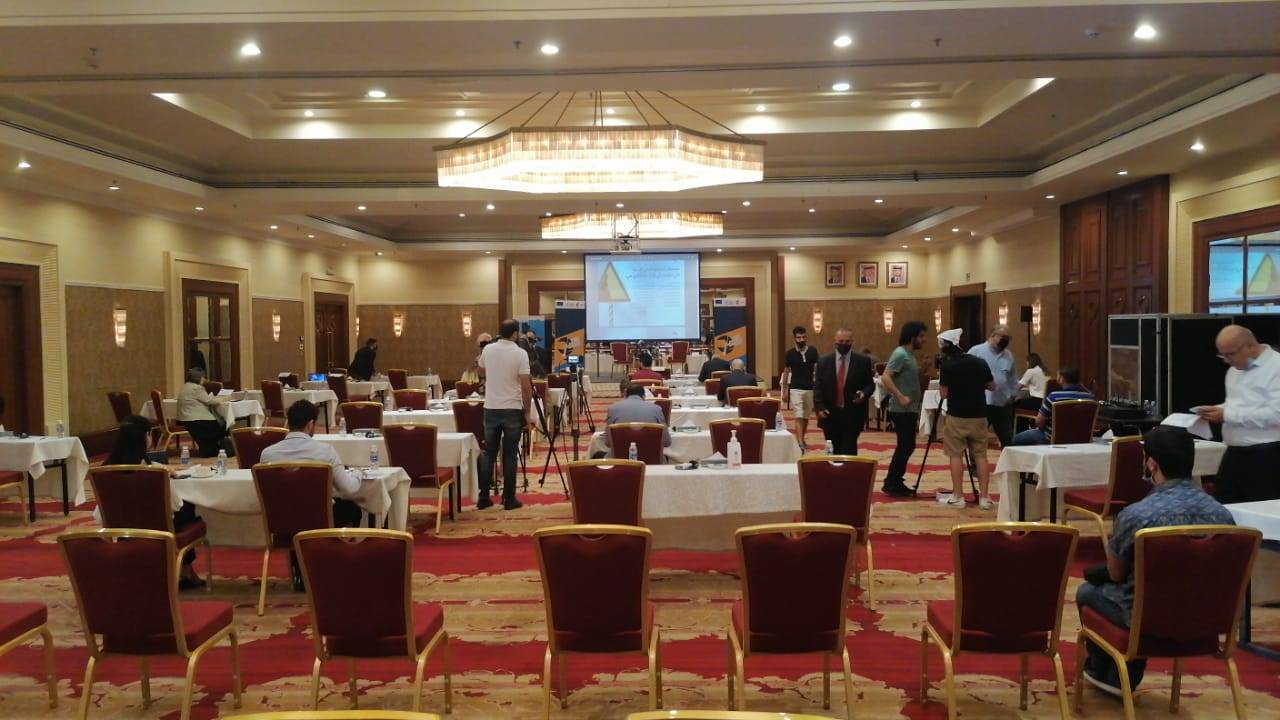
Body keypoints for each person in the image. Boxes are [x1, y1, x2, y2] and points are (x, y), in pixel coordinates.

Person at [1075, 426, 1235, 697]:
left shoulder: (1136, 515)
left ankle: (1112, 671)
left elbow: (1116, 574)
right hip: (1205, 618)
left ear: (1151, 464)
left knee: (1087, 591)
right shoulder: (1223, 516)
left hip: (1146, 618)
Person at [259, 399, 365, 590]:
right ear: (310, 424)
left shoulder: (267, 454)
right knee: (352, 510)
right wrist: (358, 473)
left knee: (294, 512)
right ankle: (333, 564)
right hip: (320, 522)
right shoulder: (325, 452)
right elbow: (349, 489)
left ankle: (300, 573)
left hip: (282, 523)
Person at [106, 414, 206, 590]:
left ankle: (183, 571)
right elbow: (175, 505)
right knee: (188, 508)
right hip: (158, 525)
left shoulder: (106, 470)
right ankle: (186, 570)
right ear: (146, 436)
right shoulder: (153, 474)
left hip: (123, 527)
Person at [1197, 325, 1280, 503]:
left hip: (1267, 455)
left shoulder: (1276, 367)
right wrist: (1215, 410)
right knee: (1225, 509)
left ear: (1249, 346)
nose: (1226, 361)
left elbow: (1276, 414)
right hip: (1233, 453)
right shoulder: (1234, 370)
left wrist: (1227, 415)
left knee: (1263, 511)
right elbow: (1237, 404)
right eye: (1222, 355)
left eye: (1230, 354)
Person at [477, 319, 533, 510]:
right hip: (512, 408)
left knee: (489, 454)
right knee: (509, 455)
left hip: (491, 407)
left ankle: (483, 496)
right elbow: (526, 386)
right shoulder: (520, 354)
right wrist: (527, 412)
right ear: (515, 334)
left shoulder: (488, 350)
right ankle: (509, 499)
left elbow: (481, 370)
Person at [936, 328, 995, 509]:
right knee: (981, 455)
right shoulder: (980, 362)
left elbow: (944, 394)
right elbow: (992, 386)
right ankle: (985, 497)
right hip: (979, 415)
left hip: (957, 416)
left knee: (956, 455)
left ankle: (958, 496)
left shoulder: (947, 366)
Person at [880, 321, 927, 497]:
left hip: (909, 409)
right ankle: (892, 482)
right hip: (901, 409)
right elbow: (886, 377)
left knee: (907, 446)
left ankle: (895, 481)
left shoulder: (909, 355)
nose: (924, 340)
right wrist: (900, 396)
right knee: (905, 446)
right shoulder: (900, 354)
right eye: (921, 336)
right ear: (912, 336)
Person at [812, 328, 875, 455]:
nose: (844, 344)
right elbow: (818, 387)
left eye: (847, 342)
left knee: (848, 450)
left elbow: (870, 384)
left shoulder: (863, 361)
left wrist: (863, 394)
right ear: (835, 341)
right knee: (833, 451)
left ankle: (849, 468)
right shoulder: (824, 362)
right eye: (841, 341)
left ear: (852, 342)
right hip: (830, 414)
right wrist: (819, 408)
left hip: (853, 413)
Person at [1011, 366, 1094, 445]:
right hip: (1081, 439)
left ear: (1061, 378)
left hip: (1052, 438)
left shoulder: (1054, 396)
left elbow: (1039, 421)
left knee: (1015, 440)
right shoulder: (1090, 398)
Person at [968, 324, 1018, 448]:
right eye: (1003, 337)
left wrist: (1013, 395)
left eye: (1008, 338)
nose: (1005, 340)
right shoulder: (976, 351)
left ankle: (1007, 460)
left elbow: (1012, 378)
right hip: (981, 403)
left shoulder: (1008, 355)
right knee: (978, 438)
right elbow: (966, 373)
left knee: (1007, 438)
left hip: (1002, 403)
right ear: (992, 336)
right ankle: (976, 460)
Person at [176, 367, 232, 458]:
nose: (205, 379)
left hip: (185, 419)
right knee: (223, 424)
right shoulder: (197, 388)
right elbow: (210, 401)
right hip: (197, 420)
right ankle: (222, 448)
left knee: (217, 424)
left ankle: (209, 449)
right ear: (199, 377)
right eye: (203, 377)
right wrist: (225, 399)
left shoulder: (185, 386)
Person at [601, 382, 671, 453]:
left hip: (620, 458)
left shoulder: (612, 409)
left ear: (625, 395)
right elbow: (667, 442)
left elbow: (608, 442)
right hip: (652, 457)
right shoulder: (657, 409)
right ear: (644, 396)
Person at [782, 325, 819, 450]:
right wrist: (784, 391)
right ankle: (799, 443)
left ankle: (802, 438)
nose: (801, 339)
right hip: (795, 388)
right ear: (794, 338)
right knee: (798, 415)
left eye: (803, 337)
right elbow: (786, 372)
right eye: (799, 337)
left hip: (810, 388)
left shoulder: (813, 351)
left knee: (806, 417)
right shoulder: (790, 353)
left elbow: (817, 369)